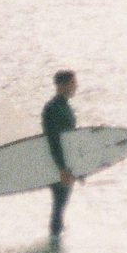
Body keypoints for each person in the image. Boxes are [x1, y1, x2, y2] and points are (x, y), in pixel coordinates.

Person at [42, 69, 80, 240]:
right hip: (58, 164)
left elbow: (70, 141)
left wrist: (81, 167)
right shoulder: (52, 108)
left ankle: (56, 245)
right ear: (62, 85)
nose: (76, 86)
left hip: (67, 164)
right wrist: (62, 168)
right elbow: (53, 141)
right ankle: (53, 247)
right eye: (73, 83)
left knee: (60, 206)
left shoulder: (64, 106)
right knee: (59, 206)